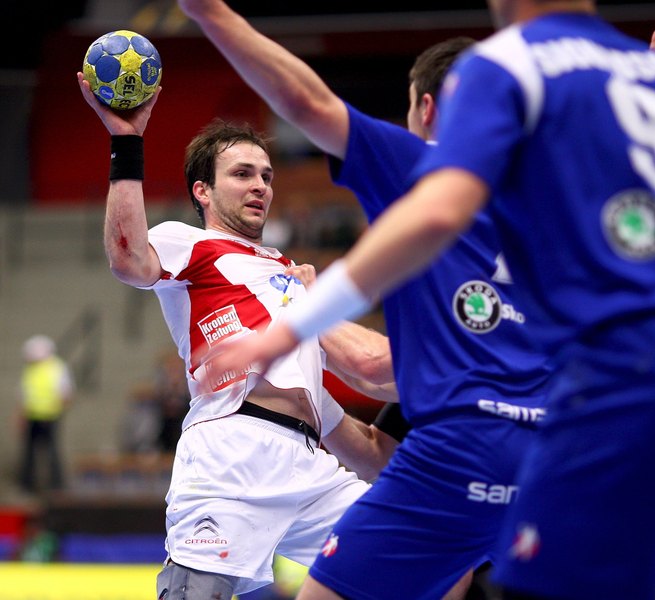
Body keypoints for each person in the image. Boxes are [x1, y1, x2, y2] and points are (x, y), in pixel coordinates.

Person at [193, 1, 655, 599]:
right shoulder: (617, 146)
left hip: (483, 436)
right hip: (627, 411)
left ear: (428, 109)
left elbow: (313, 107)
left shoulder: (486, 94)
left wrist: (294, 319)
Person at [179, 1, 552, 598]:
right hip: (557, 453)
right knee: (451, 569)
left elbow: (310, 103)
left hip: (464, 445)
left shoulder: (428, 167)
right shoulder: (554, 198)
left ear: (425, 109)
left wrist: (211, 14)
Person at [76, 70, 414, 596]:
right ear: (203, 191)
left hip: (311, 463)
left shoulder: (291, 275)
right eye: (242, 174)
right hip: (232, 452)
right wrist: (126, 142)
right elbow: (127, 259)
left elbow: (369, 390)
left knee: (416, 557)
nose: (260, 185)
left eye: (266, 176)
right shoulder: (191, 242)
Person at [17, 334, 73, 494]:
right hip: (32, 416)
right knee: (29, 453)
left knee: (52, 452)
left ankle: (57, 485)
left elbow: (66, 394)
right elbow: (24, 394)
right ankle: (27, 485)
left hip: (50, 417)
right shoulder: (30, 370)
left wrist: (56, 410)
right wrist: (21, 415)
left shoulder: (57, 367)